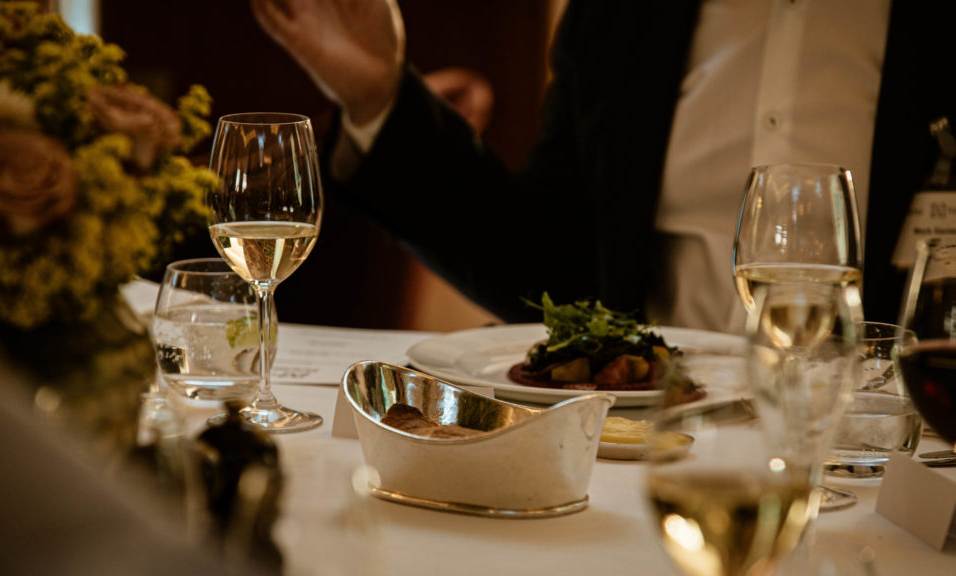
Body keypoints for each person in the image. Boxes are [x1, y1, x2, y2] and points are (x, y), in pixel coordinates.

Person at [249, 0, 956, 335]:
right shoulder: (623, 14)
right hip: (651, 456)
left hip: (891, 475)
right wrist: (382, 97)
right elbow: (546, 265)